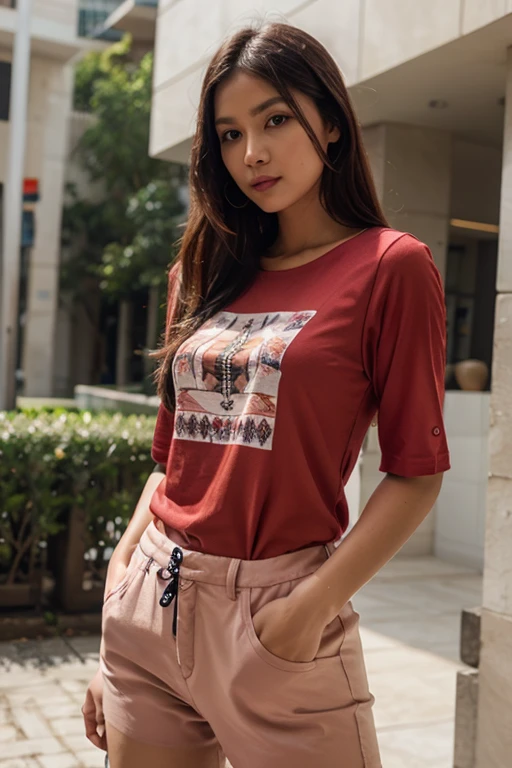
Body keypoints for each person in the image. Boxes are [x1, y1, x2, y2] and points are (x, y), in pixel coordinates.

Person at [81, 21, 450, 768]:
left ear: (333, 125)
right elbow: (168, 461)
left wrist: (308, 608)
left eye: (275, 119)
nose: (251, 153)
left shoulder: (390, 268)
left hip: (278, 619)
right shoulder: (203, 272)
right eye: (228, 133)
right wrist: (119, 597)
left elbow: (416, 471)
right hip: (153, 599)